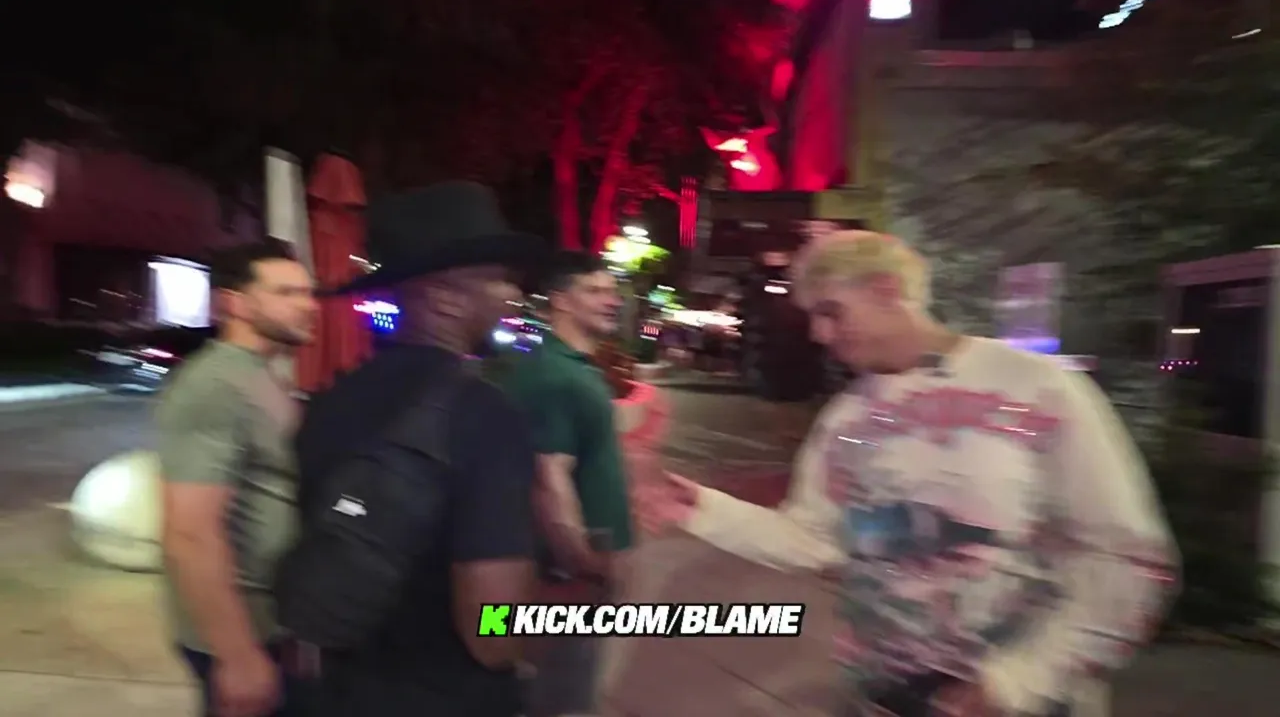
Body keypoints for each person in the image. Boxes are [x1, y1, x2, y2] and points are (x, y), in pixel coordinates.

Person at [635, 230, 1179, 717]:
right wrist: (699, 508)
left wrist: (1017, 683)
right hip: (883, 693)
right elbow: (816, 537)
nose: (820, 334)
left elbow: (1127, 559)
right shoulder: (848, 418)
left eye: (831, 312)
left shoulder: (1037, 387)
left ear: (887, 290)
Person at [292, 181, 543, 716]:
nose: (512, 296)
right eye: (496, 279)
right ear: (445, 298)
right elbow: (493, 634)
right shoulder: (484, 416)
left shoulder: (327, 401)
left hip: (336, 693)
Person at [157, 239, 318, 717]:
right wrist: (237, 655)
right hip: (241, 634)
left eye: (308, 292)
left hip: (272, 625)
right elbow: (190, 532)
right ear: (235, 303)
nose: (308, 305)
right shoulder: (215, 385)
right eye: (286, 292)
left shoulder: (258, 375)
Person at [495, 251, 631, 717]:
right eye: (595, 291)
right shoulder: (554, 375)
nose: (612, 300)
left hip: (569, 569)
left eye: (612, 291)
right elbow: (548, 480)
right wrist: (586, 566)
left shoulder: (572, 367)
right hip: (563, 574)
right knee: (560, 699)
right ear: (560, 300)